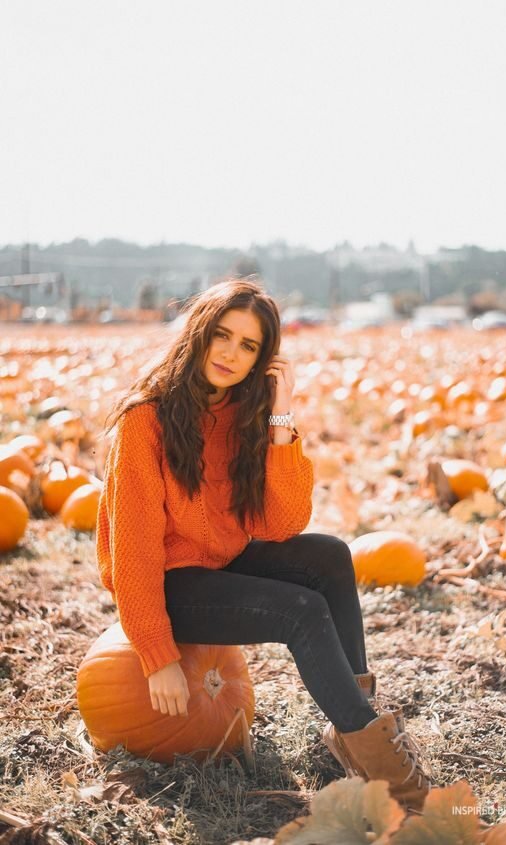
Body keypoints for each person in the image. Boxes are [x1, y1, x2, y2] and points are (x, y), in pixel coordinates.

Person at [95, 278, 434, 811]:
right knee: (301, 610)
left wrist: (280, 421)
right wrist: (157, 654)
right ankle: (389, 771)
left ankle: (355, 730)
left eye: (249, 345)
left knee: (329, 557)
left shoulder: (244, 415)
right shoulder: (146, 420)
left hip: (222, 562)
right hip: (171, 584)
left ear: (262, 359)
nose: (231, 354)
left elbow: (281, 523)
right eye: (222, 336)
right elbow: (132, 549)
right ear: (198, 335)